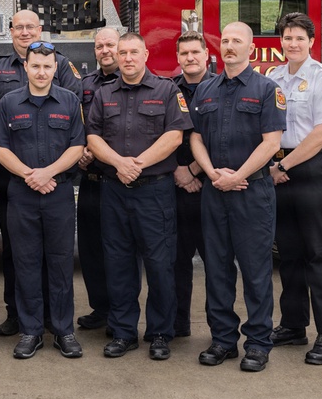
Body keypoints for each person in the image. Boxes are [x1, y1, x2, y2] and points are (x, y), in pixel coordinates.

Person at [0, 9, 82, 337]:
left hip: (56, 180)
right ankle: (19, 317)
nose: (24, 32)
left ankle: (55, 320)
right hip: (14, 181)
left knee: (58, 256)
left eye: (30, 27)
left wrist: (47, 173)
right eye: (19, 27)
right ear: (10, 32)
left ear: (40, 31)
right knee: (17, 252)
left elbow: (73, 116)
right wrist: (26, 173)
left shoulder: (62, 68)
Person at [86, 32, 191, 360]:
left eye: (134, 52)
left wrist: (138, 164)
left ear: (146, 54)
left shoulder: (167, 90)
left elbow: (174, 136)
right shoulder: (103, 95)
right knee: (118, 264)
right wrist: (118, 163)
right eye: (122, 53)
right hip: (114, 191)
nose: (128, 58)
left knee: (160, 264)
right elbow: (92, 136)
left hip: (154, 192)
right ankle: (123, 332)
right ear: (115, 57)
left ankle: (160, 332)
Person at [190, 21, 285, 373]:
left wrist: (238, 177)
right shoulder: (206, 89)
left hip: (252, 192)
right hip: (215, 191)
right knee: (215, 269)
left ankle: (259, 343)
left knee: (256, 270)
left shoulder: (266, 89)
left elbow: (272, 142)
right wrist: (213, 173)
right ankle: (223, 340)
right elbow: (196, 138)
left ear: (250, 48)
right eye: (225, 40)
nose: (229, 46)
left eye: (237, 41)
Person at [266, 13, 322, 365]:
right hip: (281, 171)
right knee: (290, 254)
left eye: (299, 38)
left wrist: (285, 165)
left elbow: (321, 132)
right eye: (287, 38)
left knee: (320, 254)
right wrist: (275, 165)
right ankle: (293, 326)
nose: (293, 44)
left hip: (313, 169)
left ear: (312, 41)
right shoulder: (273, 77)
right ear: (280, 42)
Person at [75, 27, 120, 331]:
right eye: (100, 46)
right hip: (90, 177)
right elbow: (74, 120)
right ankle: (100, 309)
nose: (105, 50)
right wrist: (80, 150)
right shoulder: (85, 85)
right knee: (90, 249)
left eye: (111, 45)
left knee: (118, 251)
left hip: (118, 180)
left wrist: (101, 151)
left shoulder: (134, 81)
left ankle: (120, 313)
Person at [171, 31, 213, 337]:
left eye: (195, 52)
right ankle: (177, 325)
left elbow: (225, 138)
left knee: (216, 264)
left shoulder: (223, 89)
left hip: (212, 189)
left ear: (206, 54)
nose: (190, 58)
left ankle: (219, 330)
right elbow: (158, 135)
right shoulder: (168, 90)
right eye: (184, 53)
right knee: (176, 262)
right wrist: (178, 171)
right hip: (175, 187)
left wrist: (194, 172)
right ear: (177, 58)